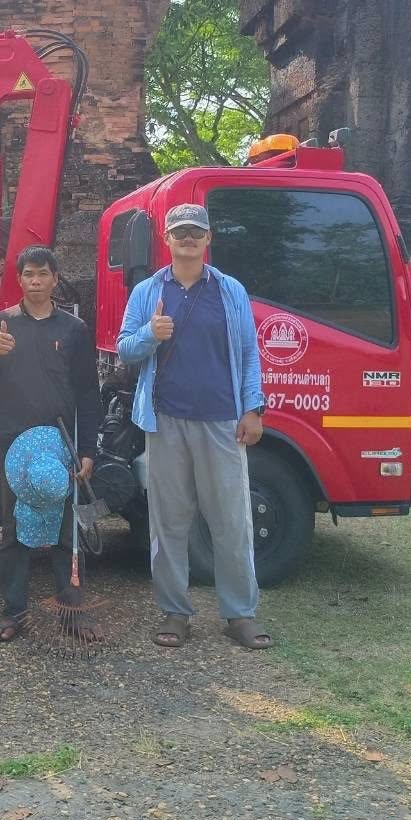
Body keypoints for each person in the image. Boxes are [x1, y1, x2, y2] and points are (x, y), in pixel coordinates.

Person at [115, 203, 271, 650]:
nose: (187, 238)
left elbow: (247, 353)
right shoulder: (147, 291)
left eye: (195, 232)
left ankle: (239, 614)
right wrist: (151, 333)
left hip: (222, 420)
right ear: (166, 239)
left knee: (232, 521)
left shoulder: (229, 290)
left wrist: (253, 408)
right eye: (180, 231)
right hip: (164, 421)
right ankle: (174, 612)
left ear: (208, 240)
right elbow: (125, 350)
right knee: (169, 522)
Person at [0, 245, 102, 641]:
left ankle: (71, 610)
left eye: (43, 274)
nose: (35, 281)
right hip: (13, 443)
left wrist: (87, 450)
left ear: (55, 278)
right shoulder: (0, 325)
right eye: (28, 274)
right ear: (19, 278)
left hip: (61, 441)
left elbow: (88, 393)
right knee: (13, 530)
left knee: (67, 532)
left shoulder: (74, 330)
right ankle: (14, 612)